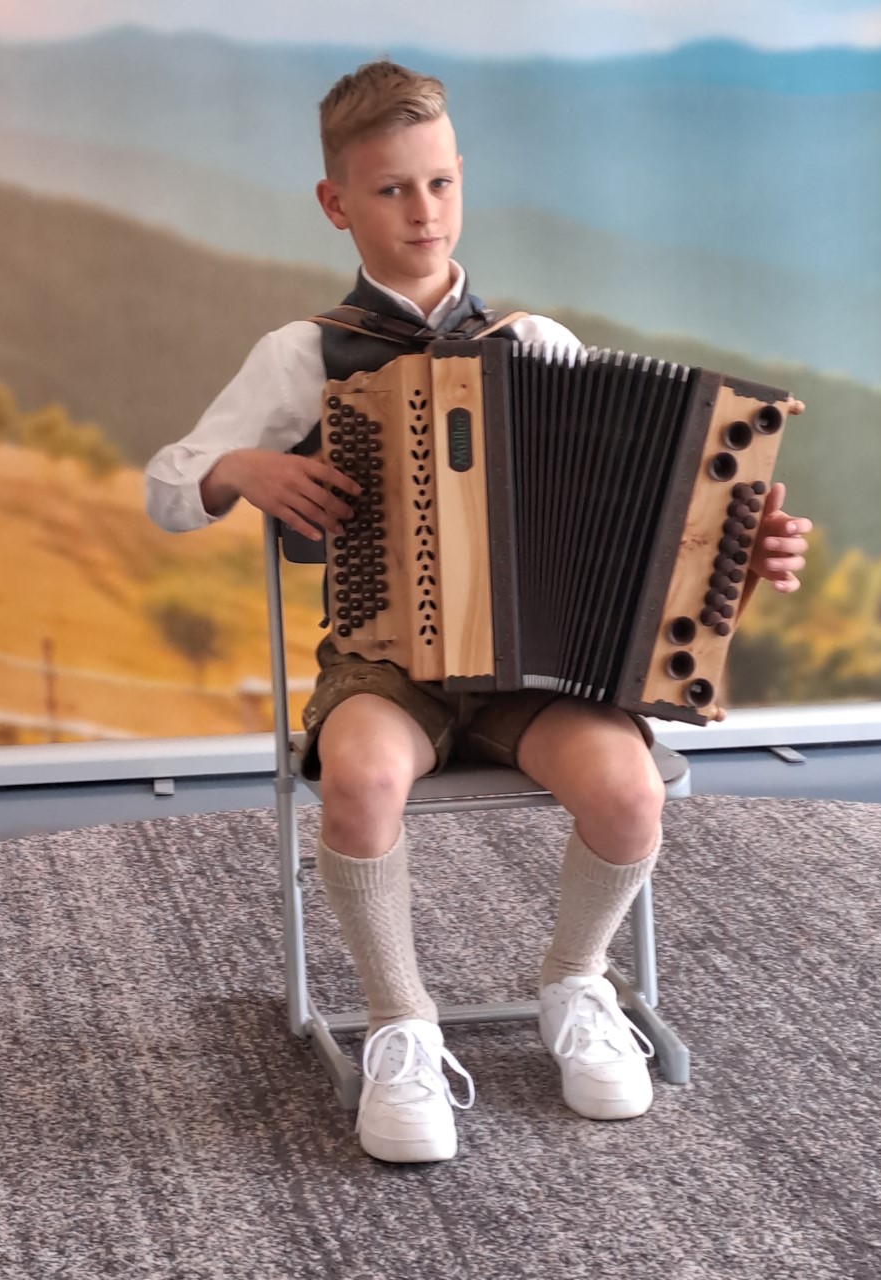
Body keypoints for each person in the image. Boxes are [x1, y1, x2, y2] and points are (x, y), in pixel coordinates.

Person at [146, 60, 812, 1164]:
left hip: (533, 674)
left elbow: (642, 537)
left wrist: (742, 551)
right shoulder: (304, 354)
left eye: (441, 183)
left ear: (462, 179)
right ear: (336, 203)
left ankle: (577, 983)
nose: (423, 210)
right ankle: (400, 1028)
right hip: (384, 667)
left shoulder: (536, 344)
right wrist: (240, 468)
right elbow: (167, 486)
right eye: (392, 189)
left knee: (630, 788)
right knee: (360, 777)